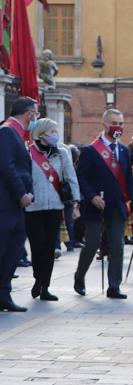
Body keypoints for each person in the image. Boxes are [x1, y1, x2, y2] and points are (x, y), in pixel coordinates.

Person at [74, 109, 133, 299]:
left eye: (121, 123)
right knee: (92, 244)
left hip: (117, 206)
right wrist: (91, 197)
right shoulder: (91, 151)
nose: (118, 126)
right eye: (114, 122)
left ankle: (114, 286)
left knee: (117, 246)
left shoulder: (124, 151)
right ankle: (79, 277)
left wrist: (131, 204)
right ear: (105, 124)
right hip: (95, 206)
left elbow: (128, 179)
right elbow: (80, 177)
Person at [26, 119, 80, 301]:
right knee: (37, 246)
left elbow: (71, 177)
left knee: (49, 247)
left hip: (55, 206)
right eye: (52, 131)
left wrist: (76, 202)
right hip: (34, 207)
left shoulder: (62, 153)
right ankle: (37, 279)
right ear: (41, 134)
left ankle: (45, 286)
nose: (55, 134)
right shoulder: (29, 153)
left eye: (56, 130)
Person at [0, 97, 35, 311]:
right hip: (7, 203)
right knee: (4, 250)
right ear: (28, 113)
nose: (35, 118)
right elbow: (6, 166)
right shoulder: (7, 131)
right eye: (35, 113)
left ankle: (4, 294)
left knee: (12, 252)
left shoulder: (16, 133)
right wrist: (21, 193)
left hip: (15, 205)